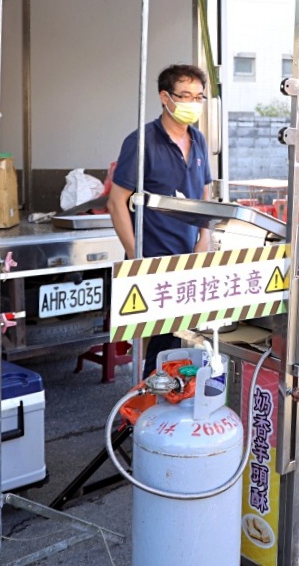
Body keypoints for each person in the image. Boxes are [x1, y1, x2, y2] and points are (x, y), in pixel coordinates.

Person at [107, 64, 212, 377]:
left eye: (199, 97)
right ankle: (145, 408)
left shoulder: (199, 140)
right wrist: (136, 255)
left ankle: (174, 407)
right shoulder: (142, 141)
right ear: (165, 97)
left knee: (188, 341)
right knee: (158, 344)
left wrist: (204, 238)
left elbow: (205, 196)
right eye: (185, 96)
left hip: (191, 257)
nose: (193, 103)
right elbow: (116, 202)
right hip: (154, 259)